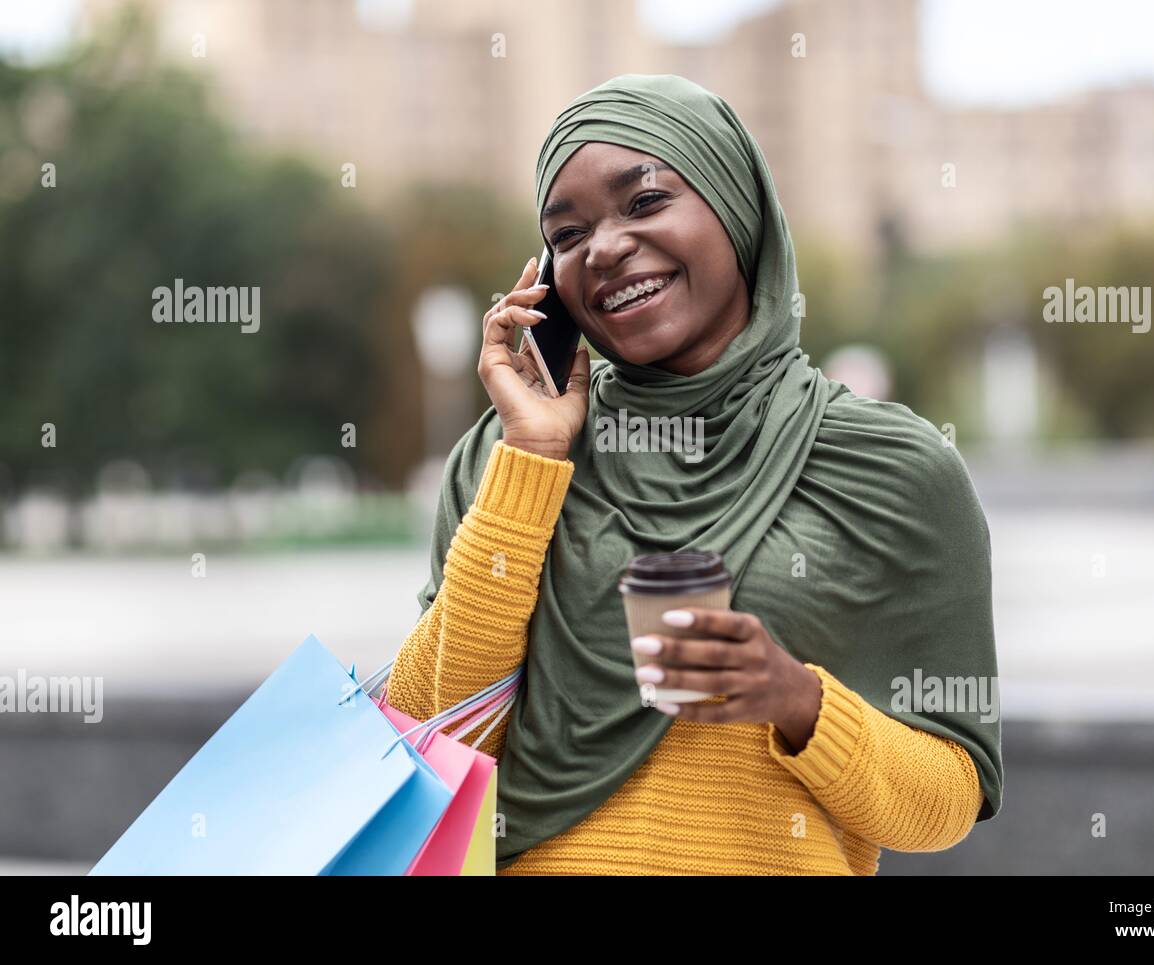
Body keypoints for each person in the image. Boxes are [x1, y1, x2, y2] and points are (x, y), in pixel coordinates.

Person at [385, 73, 1003, 875]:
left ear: (736, 205)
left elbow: (949, 797)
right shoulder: (505, 457)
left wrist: (798, 702)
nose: (603, 247)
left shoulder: (893, 467)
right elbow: (435, 729)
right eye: (567, 235)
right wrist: (532, 460)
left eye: (643, 202)